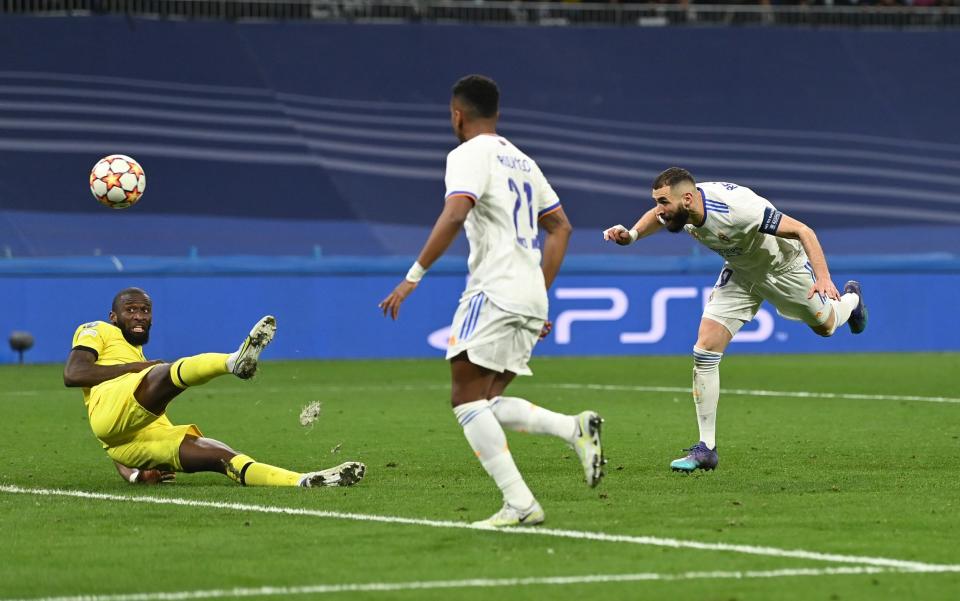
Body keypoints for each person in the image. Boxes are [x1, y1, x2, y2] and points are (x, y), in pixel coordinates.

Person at [379, 74, 605, 528]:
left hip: (494, 289)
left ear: (457, 115)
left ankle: (520, 504)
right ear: (497, 113)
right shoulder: (523, 161)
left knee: (465, 400)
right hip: (527, 291)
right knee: (486, 398)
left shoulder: (467, 154)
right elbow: (561, 227)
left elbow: (456, 210)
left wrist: (413, 276)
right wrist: (540, 291)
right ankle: (572, 428)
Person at [603, 167, 867, 473]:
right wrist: (632, 235)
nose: (659, 211)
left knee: (827, 326)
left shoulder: (739, 210)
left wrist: (823, 277)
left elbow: (803, 231)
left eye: (663, 202)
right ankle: (706, 449)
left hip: (784, 268)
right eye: (657, 202)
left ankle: (853, 301)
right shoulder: (683, 206)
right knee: (704, 351)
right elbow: (657, 217)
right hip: (742, 272)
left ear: (687, 198)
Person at [63, 287, 365, 488]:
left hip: (129, 442)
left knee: (222, 457)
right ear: (113, 316)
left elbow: (115, 430)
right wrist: (137, 368)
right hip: (113, 410)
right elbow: (74, 373)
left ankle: (301, 481)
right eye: (130, 310)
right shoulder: (97, 329)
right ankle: (234, 362)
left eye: (145, 310)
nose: (139, 316)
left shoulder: (137, 357)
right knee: (163, 373)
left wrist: (135, 475)